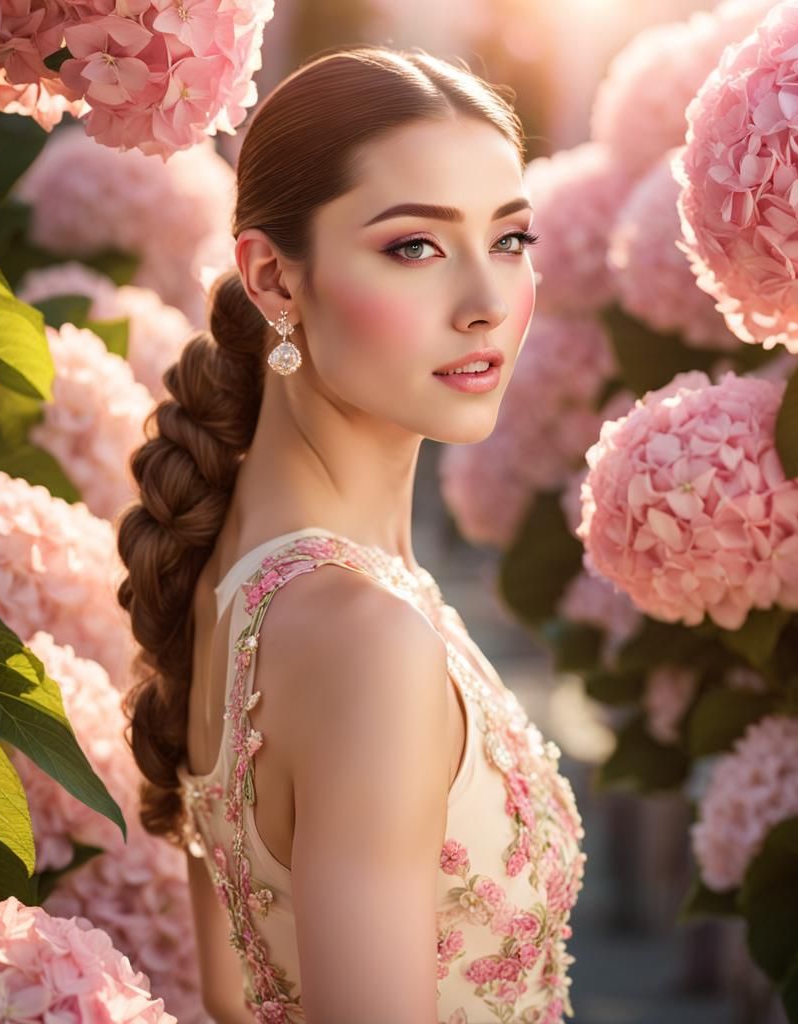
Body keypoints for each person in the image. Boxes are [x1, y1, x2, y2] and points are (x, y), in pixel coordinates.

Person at [116, 44, 586, 1024]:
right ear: (275, 281)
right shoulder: (359, 632)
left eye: (508, 240)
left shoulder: (238, 582)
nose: (486, 305)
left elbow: (231, 997)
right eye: (414, 245)